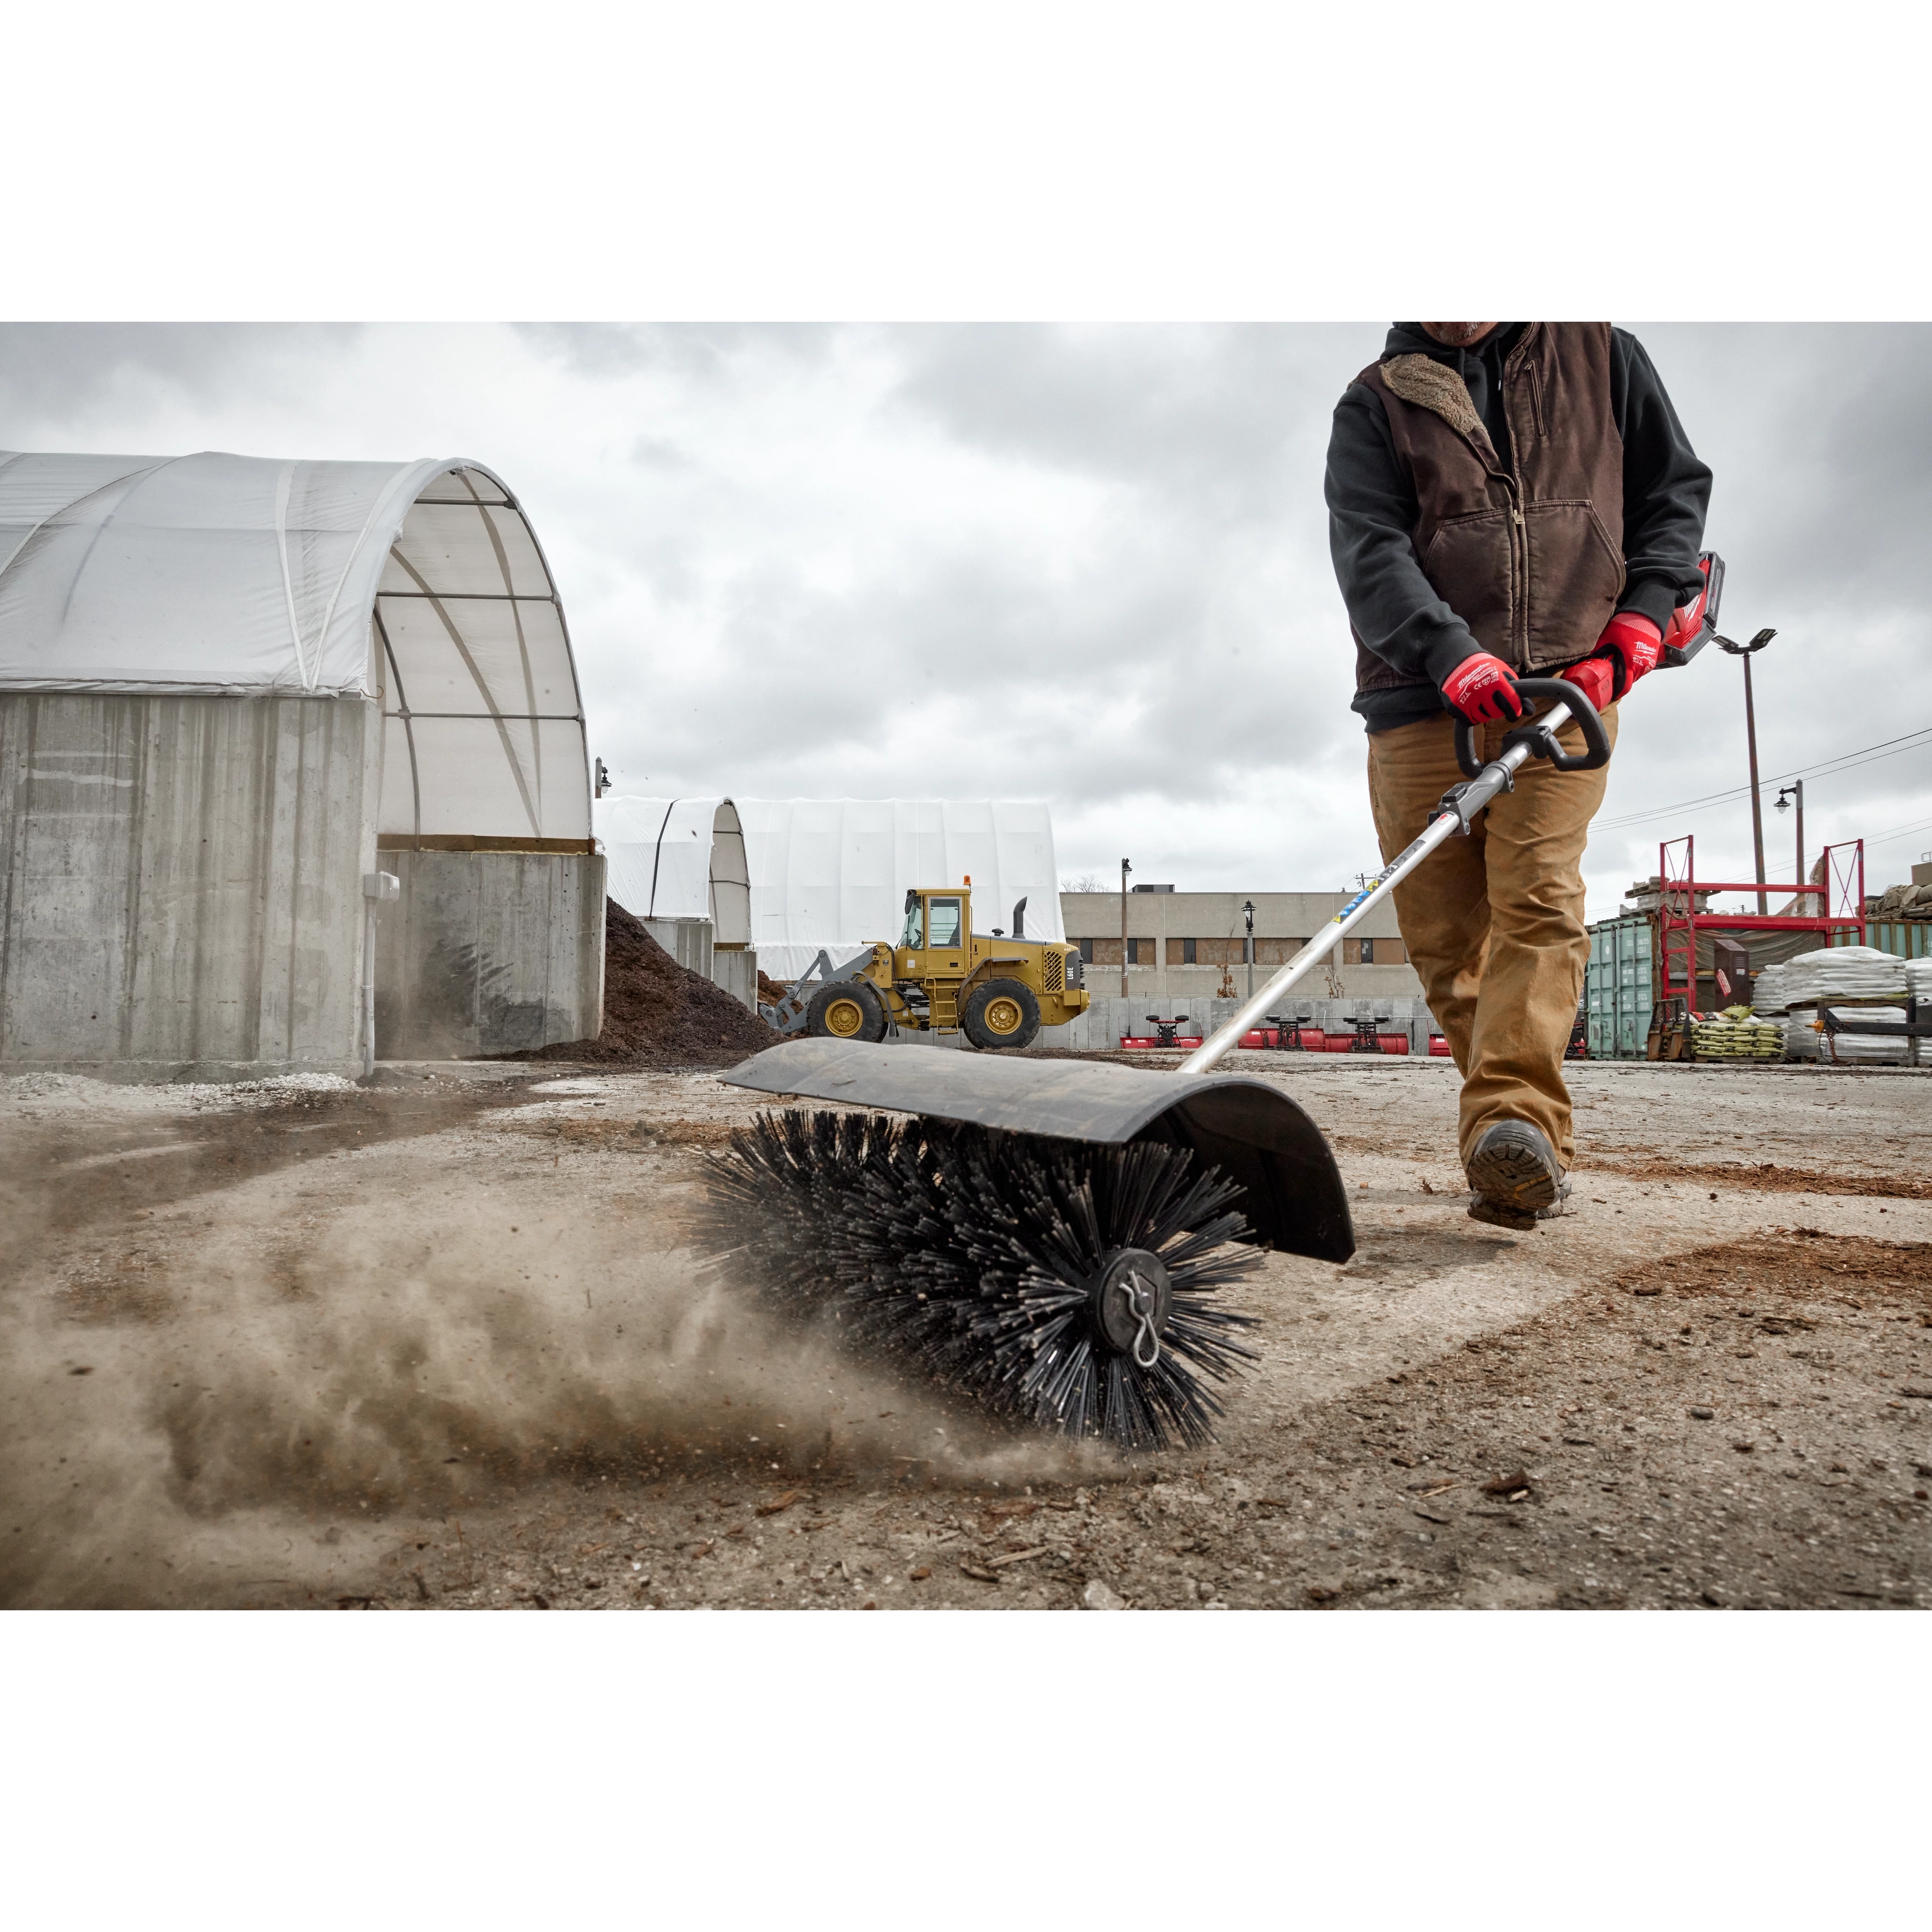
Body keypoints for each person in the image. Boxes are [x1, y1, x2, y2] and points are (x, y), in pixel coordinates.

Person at [1325, 322, 1710, 1229]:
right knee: (1448, 942)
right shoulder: (1375, 399)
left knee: (1538, 899)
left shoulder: (1606, 356)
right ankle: (1508, 1126)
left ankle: (1514, 1126)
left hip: (1566, 689)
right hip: (1423, 702)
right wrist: (1445, 651)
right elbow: (1369, 549)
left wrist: (1643, 619)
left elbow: (1671, 496)